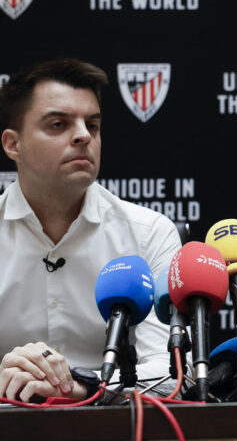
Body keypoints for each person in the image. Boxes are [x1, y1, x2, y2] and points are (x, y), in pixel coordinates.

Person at [0, 58, 181, 402]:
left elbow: (172, 373)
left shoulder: (149, 234)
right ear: (13, 144)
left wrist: (82, 386)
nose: (83, 135)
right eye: (58, 124)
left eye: (93, 125)